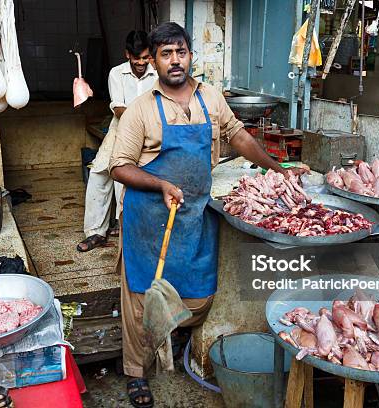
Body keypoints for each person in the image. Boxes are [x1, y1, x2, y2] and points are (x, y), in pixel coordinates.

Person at [109, 22, 308, 407]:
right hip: (150, 221)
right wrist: (161, 185)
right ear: (154, 61)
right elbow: (120, 166)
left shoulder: (210, 98)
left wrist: (279, 171)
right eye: (165, 54)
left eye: (180, 51)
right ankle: (136, 372)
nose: (175, 60)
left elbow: (240, 137)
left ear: (190, 55)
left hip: (194, 216)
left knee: (199, 297)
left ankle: (169, 333)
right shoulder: (142, 109)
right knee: (139, 299)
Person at [76, 31, 156, 252]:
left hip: (150, 133)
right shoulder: (116, 73)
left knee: (128, 177)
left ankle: (125, 226)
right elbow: (118, 107)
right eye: (136, 57)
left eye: (145, 57)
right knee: (99, 173)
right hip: (119, 128)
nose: (141, 63)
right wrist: (140, 118)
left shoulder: (157, 74)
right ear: (127, 54)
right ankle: (95, 233)